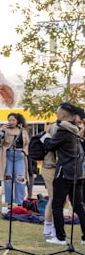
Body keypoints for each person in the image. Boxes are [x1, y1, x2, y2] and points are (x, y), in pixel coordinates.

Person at [42, 103, 85, 246]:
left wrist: (46, 135)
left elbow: (49, 145)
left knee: (57, 204)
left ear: (64, 116)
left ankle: (60, 238)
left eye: (57, 113)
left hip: (64, 173)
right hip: (78, 174)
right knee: (78, 206)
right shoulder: (75, 131)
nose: (56, 116)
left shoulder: (63, 132)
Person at [0, 113, 29, 208]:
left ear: (18, 121)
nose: (11, 122)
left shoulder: (23, 131)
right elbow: (0, 143)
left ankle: (19, 202)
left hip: (19, 156)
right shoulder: (5, 130)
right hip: (8, 155)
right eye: (9, 120)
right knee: (8, 179)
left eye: (13, 120)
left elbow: (27, 144)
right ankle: (9, 202)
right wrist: (2, 131)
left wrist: (24, 152)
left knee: (20, 178)